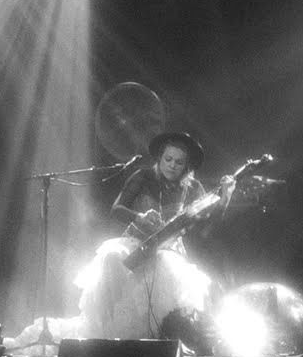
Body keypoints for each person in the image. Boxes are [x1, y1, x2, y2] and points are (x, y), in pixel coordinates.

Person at [75, 132, 219, 340]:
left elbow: (206, 224)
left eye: (179, 162)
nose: (172, 166)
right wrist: (138, 217)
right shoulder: (143, 176)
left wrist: (225, 198)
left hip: (168, 249)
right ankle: (107, 333)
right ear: (160, 158)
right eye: (168, 159)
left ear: (186, 166)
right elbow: (116, 209)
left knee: (166, 267)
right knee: (112, 256)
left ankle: (157, 340)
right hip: (135, 241)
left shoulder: (194, 188)